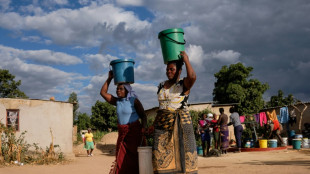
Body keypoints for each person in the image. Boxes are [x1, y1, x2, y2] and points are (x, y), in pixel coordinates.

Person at [153, 51, 197, 173]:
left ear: (179, 71)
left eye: (172, 69)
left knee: (183, 156)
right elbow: (160, 107)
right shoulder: (161, 85)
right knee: (159, 158)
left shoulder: (183, 84)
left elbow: (193, 77)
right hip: (162, 126)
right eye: (167, 69)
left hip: (180, 125)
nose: (169, 72)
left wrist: (186, 60)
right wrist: (154, 125)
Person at [100, 71, 147, 174]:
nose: (118, 91)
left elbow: (143, 116)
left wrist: (143, 128)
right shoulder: (117, 101)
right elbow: (103, 93)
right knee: (121, 159)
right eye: (117, 89)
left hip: (134, 134)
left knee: (135, 159)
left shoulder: (134, 101)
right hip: (123, 136)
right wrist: (109, 78)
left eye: (121, 89)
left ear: (127, 90)